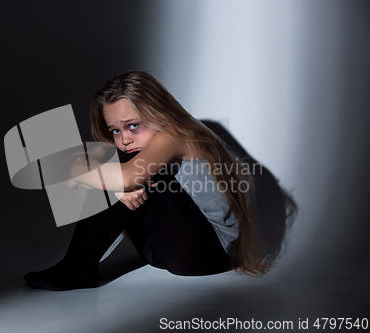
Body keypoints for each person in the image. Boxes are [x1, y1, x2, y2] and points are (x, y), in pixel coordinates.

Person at [24, 71, 270, 291]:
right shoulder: (138, 149)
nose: (124, 138)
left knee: (126, 170)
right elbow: (105, 179)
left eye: (133, 125)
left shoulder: (173, 135)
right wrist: (115, 185)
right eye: (115, 130)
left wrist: (78, 170)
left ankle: (78, 269)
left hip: (208, 254)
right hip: (161, 250)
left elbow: (126, 176)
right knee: (112, 171)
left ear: (160, 115)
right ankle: (73, 264)